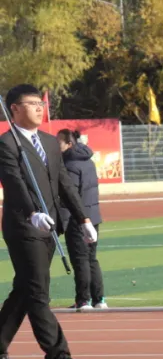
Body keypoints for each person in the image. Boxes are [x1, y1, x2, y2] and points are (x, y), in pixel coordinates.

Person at [0, 85, 92, 359]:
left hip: (51, 227)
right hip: (24, 227)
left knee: (24, 289)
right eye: (32, 103)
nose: (40, 108)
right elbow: (13, 183)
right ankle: (57, 355)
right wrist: (32, 213)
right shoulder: (7, 144)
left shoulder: (50, 143)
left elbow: (64, 183)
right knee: (38, 291)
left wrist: (83, 219)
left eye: (41, 103)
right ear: (14, 109)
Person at [57, 130, 106, 311]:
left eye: (59, 142)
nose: (56, 146)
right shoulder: (88, 161)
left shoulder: (70, 165)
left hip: (78, 219)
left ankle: (83, 300)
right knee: (91, 258)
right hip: (93, 216)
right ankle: (99, 299)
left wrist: (61, 222)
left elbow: (69, 197)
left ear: (68, 144)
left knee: (80, 259)